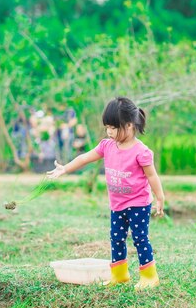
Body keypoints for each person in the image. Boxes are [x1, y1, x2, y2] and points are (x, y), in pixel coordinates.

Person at [47, 97, 165, 289]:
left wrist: (160, 196)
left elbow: (152, 176)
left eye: (113, 127)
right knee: (116, 238)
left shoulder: (141, 152)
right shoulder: (106, 146)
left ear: (128, 125)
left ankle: (150, 276)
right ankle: (119, 275)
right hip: (117, 204)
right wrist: (65, 169)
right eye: (107, 127)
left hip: (138, 203)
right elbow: (85, 157)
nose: (109, 132)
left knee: (139, 238)